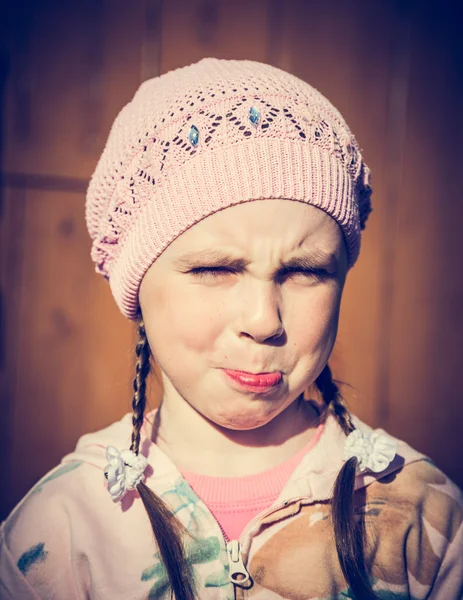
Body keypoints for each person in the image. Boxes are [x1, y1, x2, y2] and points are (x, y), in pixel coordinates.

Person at [0, 58, 462, 600]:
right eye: (215, 269)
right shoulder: (62, 532)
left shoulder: (421, 515)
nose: (263, 320)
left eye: (306, 271)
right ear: (135, 287)